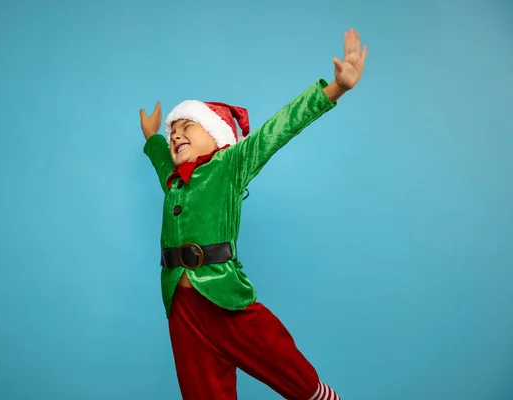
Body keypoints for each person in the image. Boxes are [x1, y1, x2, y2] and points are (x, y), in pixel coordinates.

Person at [139, 28, 367, 400]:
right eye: (173, 132)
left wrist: (336, 89)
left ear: (218, 137)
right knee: (201, 391)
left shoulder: (230, 164)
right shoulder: (174, 180)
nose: (176, 136)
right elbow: (160, 157)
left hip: (223, 295)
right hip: (182, 307)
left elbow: (279, 128)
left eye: (187, 127)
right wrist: (152, 136)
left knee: (280, 360)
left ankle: (318, 395)